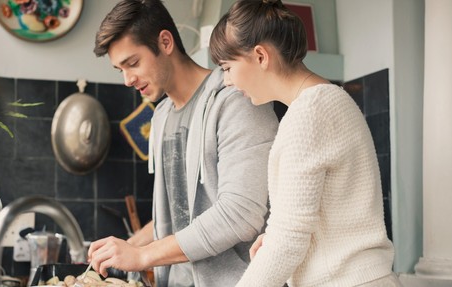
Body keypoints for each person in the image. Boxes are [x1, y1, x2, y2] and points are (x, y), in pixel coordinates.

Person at [209, 1, 403, 286]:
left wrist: (279, 240)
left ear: (261, 56)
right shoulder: (329, 99)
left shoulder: (308, 114)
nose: (226, 81)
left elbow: (289, 239)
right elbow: (326, 214)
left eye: (227, 67)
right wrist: (276, 236)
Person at [87, 1, 279, 286]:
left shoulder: (237, 100)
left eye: (133, 63)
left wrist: (142, 256)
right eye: (120, 70)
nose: (127, 80)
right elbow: (179, 217)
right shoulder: (162, 116)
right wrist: (124, 248)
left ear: (165, 42)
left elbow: (240, 215)